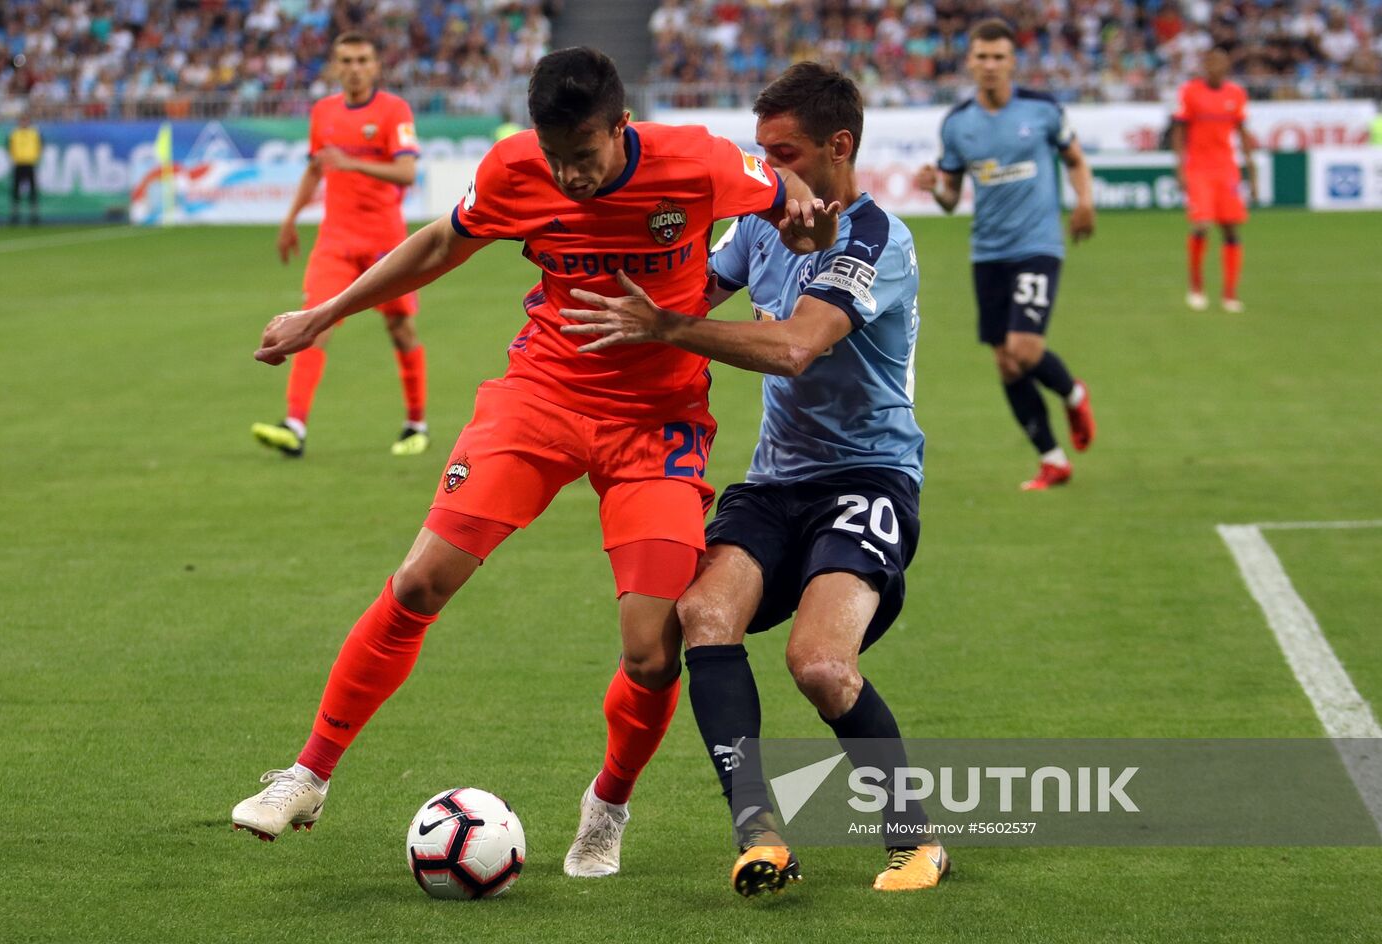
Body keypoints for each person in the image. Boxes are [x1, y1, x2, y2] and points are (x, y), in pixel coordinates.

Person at [230, 47, 837, 881]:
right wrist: (325, 312)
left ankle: (607, 809)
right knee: (417, 583)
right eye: (556, 158)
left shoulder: (694, 162)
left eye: (582, 157)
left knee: (652, 653)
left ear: (621, 129)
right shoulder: (517, 168)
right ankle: (307, 775)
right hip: (540, 399)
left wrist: (809, 208)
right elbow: (444, 241)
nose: (570, 176)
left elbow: (793, 198)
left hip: (657, 422)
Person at [561, 62, 944, 895]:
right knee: (701, 616)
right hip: (776, 481)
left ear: (839, 147)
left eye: (785, 153)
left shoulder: (879, 238)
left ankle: (914, 836)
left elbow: (796, 347)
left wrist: (668, 325)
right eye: (760, 153)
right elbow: (693, 285)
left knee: (819, 665)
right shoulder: (764, 224)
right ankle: (759, 835)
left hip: (869, 478)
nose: (768, 173)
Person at [916, 18, 1098, 492]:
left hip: (1037, 245)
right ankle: (1053, 459)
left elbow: (1076, 160)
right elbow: (952, 198)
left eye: (999, 57)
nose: (991, 65)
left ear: (1012, 61)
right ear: (970, 62)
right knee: (1005, 361)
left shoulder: (1041, 110)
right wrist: (936, 188)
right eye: (982, 57)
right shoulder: (957, 124)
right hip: (987, 252)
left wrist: (1084, 202)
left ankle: (1074, 393)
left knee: (1024, 349)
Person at [251, 32, 428, 459]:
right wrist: (291, 218)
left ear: (375, 66)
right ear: (335, 66)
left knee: (400, 328)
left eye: (362, 59)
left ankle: (415, 423)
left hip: (385, 241)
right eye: (346, 60)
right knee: (315, 322)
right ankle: (294, 425)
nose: (354, 68)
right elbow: (316, 169)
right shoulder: (324, 112)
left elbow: (406, 173)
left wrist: (352, 162)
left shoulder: (393, 111)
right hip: (336, 239)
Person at [1172, 45, 1256, 313]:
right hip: (1198, 168)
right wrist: (1180, 167)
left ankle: (1230, 293)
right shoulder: (1190, 92)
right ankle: (1196, 286)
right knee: (1202, 224)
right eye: (1210, 63)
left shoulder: (1237, 94)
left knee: (1231, 228)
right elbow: (1179, 130)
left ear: (1227, 67)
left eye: (1220, 63)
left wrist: (1251, 170)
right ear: (1205, 66)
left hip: (1226, 169)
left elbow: (1242, 132)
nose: (1215, 68)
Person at [8, 115, 41, 225]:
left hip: (30, 164)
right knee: (16, 190)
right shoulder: (14, 134)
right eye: (22, 121)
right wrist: (15, 157)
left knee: (32, 190)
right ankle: (15, 214)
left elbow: (40, 147)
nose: (24, 123)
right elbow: (9, 147)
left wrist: (34, 157)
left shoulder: (34, 133)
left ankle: (34, 214)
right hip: (18, 164)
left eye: (26, 120)